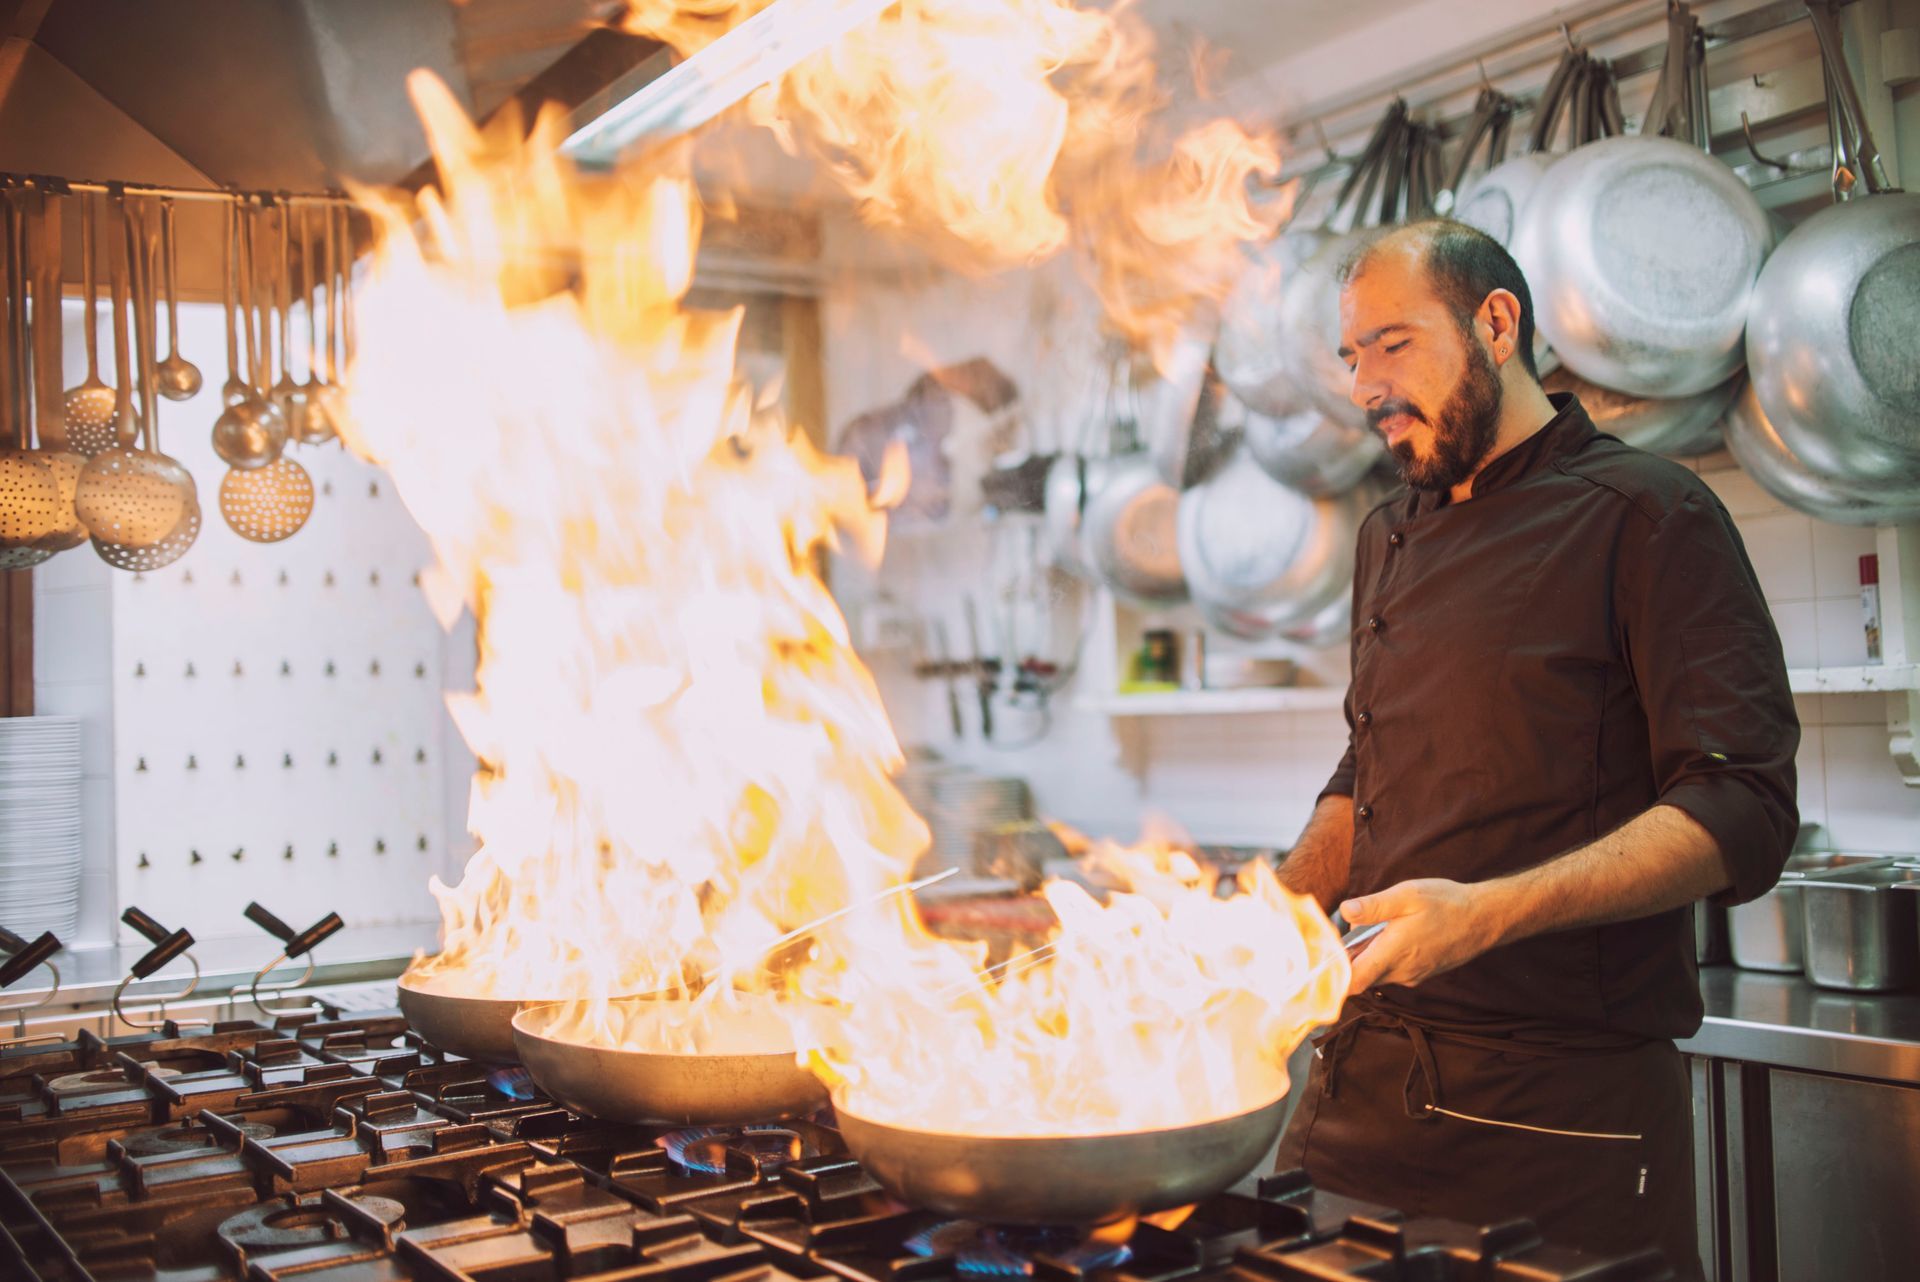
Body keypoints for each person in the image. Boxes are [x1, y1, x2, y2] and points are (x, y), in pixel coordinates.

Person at [1271, 219, 1798, 1278]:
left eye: (1394, 343)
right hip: (1363, 1086)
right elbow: (1368, 767)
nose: (1367, 384)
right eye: (1351, 356)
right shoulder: (1388, 532)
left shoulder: (1648, 514)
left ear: (1495, 324)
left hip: (1556, 1118)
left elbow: (1743, 806)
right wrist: (1265, 918)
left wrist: (1483, 914)